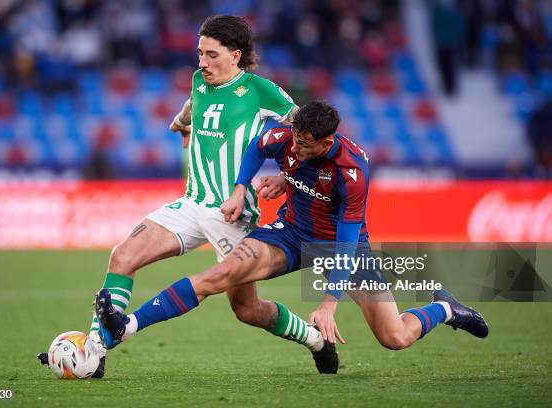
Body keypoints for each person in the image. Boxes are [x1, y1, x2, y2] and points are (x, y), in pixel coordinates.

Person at [38, 15, 340, 376]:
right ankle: (93, 352)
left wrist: (287, 181)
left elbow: (313, 140)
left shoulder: (261, 91)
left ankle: (316, 340)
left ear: (235, 55)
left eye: (211, 55)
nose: (202, 63)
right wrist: (182, 122)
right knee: (122, 256)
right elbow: (193, 104)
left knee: (247, 309)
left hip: (232, 214)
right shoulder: (200, 80)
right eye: (199, 54)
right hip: (191, 203)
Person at [95, 101, 489, 370]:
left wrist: (329, 303)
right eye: (294, 138)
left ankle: (446, 308)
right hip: (290, 234)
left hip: (340, 246)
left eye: (305, 143)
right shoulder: (288, 136)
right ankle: (127, 325)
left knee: (395, 337)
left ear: (326, 141)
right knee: (220, 276)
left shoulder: (353, 171)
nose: (295, 145)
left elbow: (348, 239)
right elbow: (255, 148)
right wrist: (242, 186)